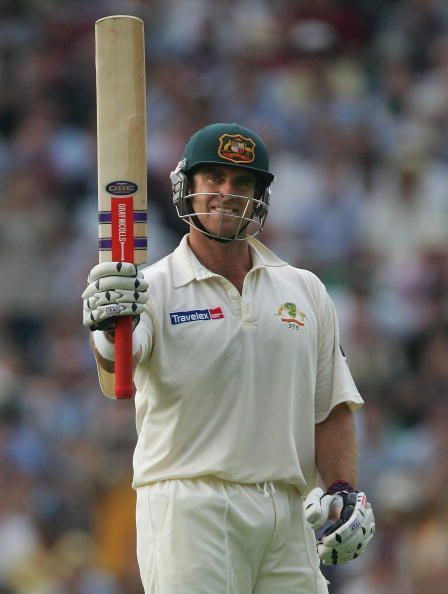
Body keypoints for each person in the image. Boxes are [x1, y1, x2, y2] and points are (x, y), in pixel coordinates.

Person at [82, 122, 375, 594]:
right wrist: (105, 324)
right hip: (190, 506)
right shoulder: (152, 288)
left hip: (289, 510)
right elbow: (119, 362)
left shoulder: (305, 290)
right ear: (187, 188)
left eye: (242, 183)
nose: (227, 193)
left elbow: (331, 407)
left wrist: (343, 489)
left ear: (259, 196)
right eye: (213, 179)